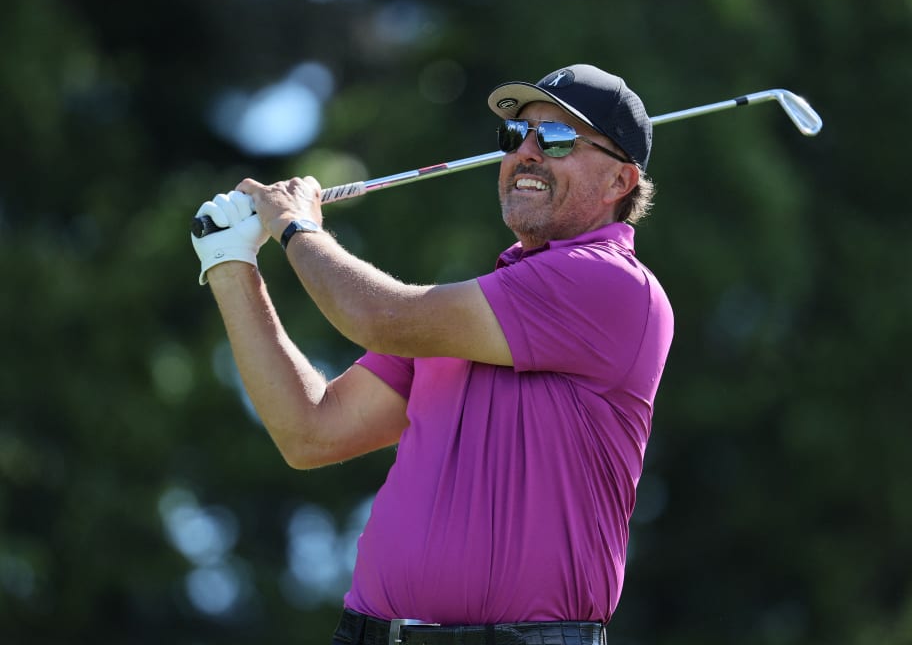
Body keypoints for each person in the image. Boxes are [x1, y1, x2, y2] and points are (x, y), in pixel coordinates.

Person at [190, 63, 674, 645]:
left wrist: (297, 227)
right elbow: (311, 432)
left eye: (557, 138)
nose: (526, 153)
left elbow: (377, 316)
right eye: (515, 136)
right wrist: (229, 265)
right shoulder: (465, 317)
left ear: (620, 182)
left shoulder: (612, 287)